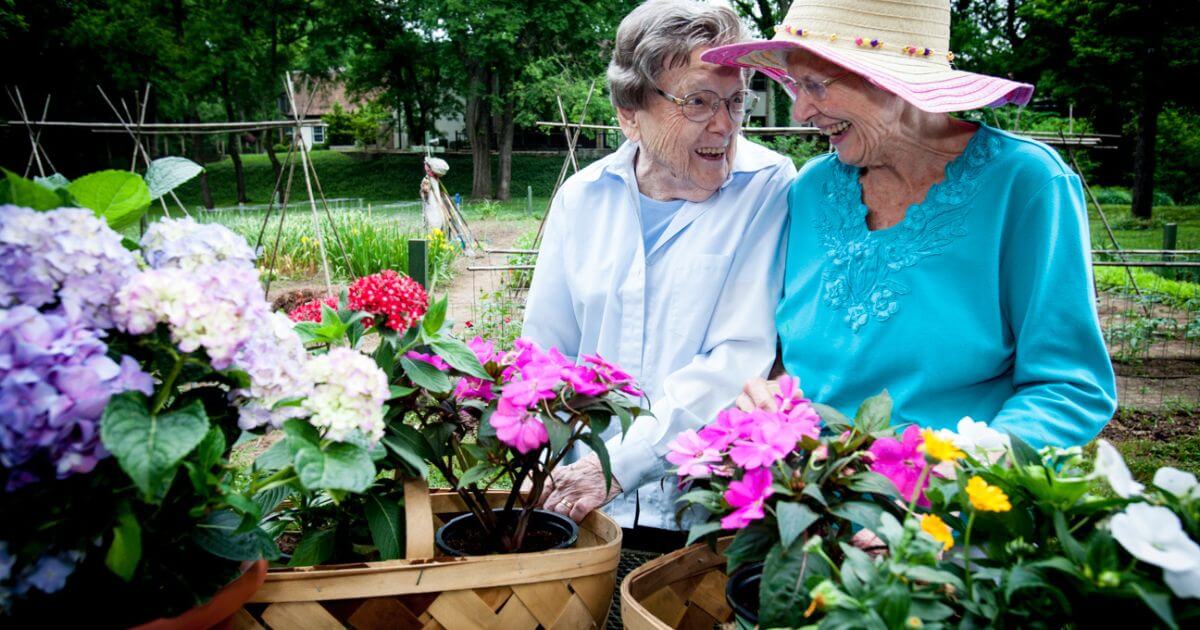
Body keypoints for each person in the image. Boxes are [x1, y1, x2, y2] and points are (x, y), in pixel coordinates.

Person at [704, 0, 1116, 447]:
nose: (801, 112)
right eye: (793, 87)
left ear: (892, 82)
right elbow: (792, 353)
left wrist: (964, 467)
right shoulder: (812, 189)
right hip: (806, 492)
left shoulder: (1024, 184)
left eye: (816, 86)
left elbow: (1068, 386)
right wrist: (770, 388)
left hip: (948, 500)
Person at [521, 0, 796, 541]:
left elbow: (739, 357)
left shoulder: (768, 186)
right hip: (581, 509)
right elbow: (546, 350)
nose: (725, 125)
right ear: (630, 114)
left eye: (736, 101)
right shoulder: (582, 198)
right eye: (697, 102)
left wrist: (618, 466)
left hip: (703, 516)